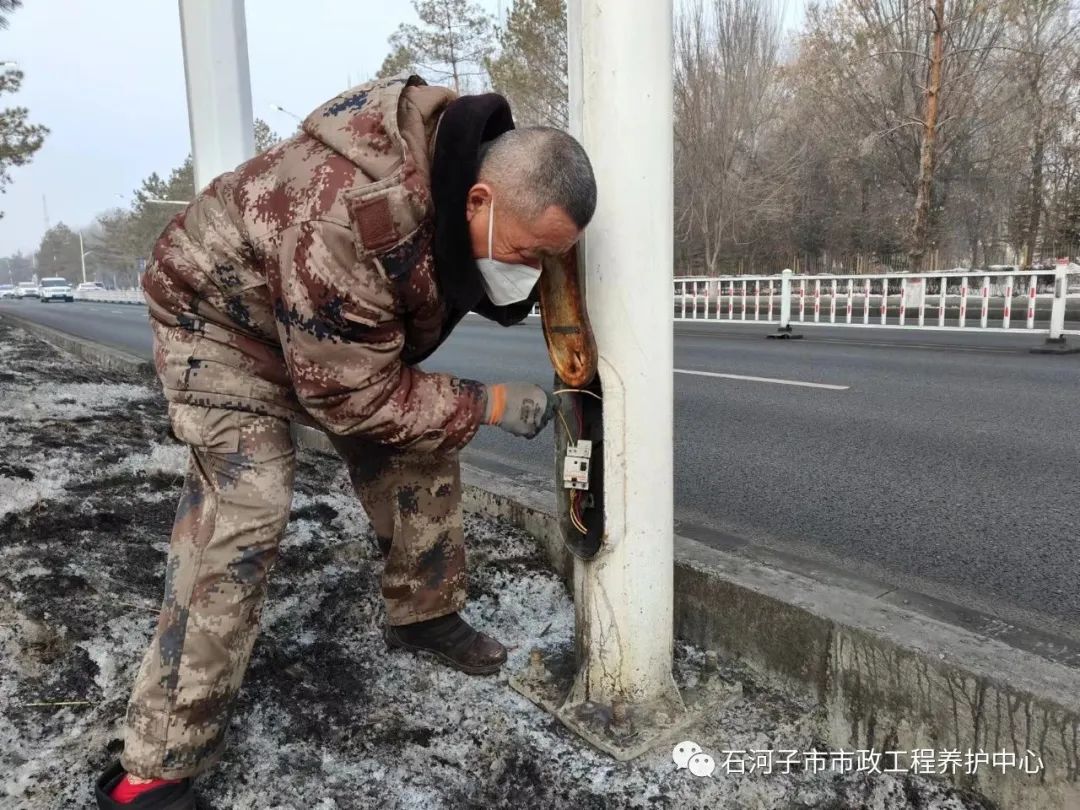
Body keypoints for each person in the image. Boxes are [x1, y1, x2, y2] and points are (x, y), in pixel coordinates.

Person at [94, 74, 597, 809]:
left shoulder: (460, 182)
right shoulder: (350, 216)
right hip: (222, 324)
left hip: (317, 326)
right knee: (245, 507)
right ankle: (153, 770)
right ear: (480, 204)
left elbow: (371, 358)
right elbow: (351, 398)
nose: (527, 272)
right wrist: (483, 402)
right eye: (524, 253)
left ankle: (424, 611)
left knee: (421, 442)